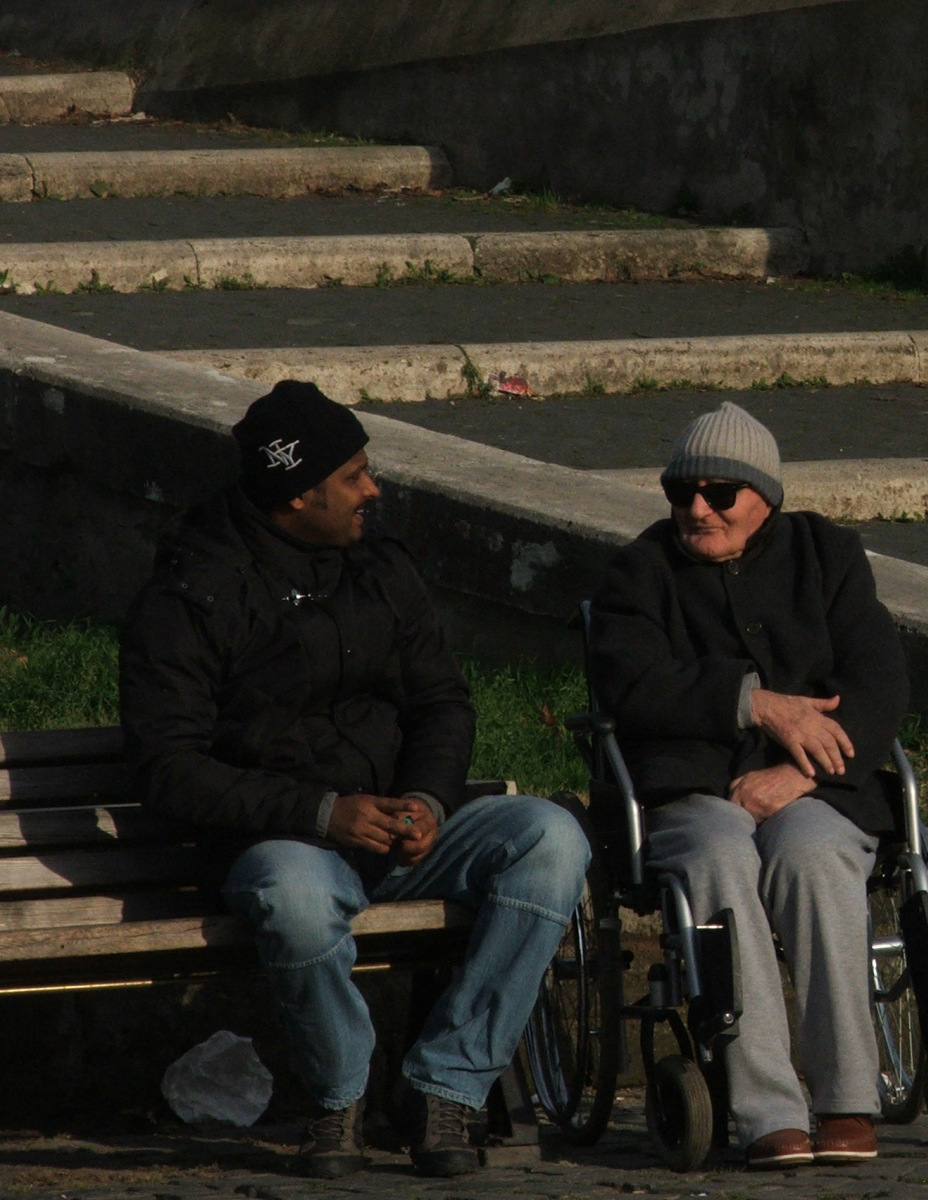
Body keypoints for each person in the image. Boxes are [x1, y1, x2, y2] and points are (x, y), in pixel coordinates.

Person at [119, 381, 589, 1180]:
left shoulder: (380, 564)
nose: (373, 490)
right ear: (298, 494)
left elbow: (442, 702)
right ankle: (339, 1100)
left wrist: (429, 801)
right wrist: (321, 812)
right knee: (296, 897)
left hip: (404, 833)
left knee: (552, 837)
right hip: (282, 843)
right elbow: (169, 768)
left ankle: (447, 1086)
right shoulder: (190, 591)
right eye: (353, 477)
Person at [588, 401, 910, 1168]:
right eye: (682, 492)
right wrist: (753, 703)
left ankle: (847, 1099)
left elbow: (880, 681)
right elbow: (633, 685)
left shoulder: (827, 555)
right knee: (721, 856)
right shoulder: (641, 570)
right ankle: (767, 1109)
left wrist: (803, 771)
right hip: (691, 790)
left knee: (815, 857)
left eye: (719, 493)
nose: (697, 509)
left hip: (815, 788)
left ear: (764, 496)